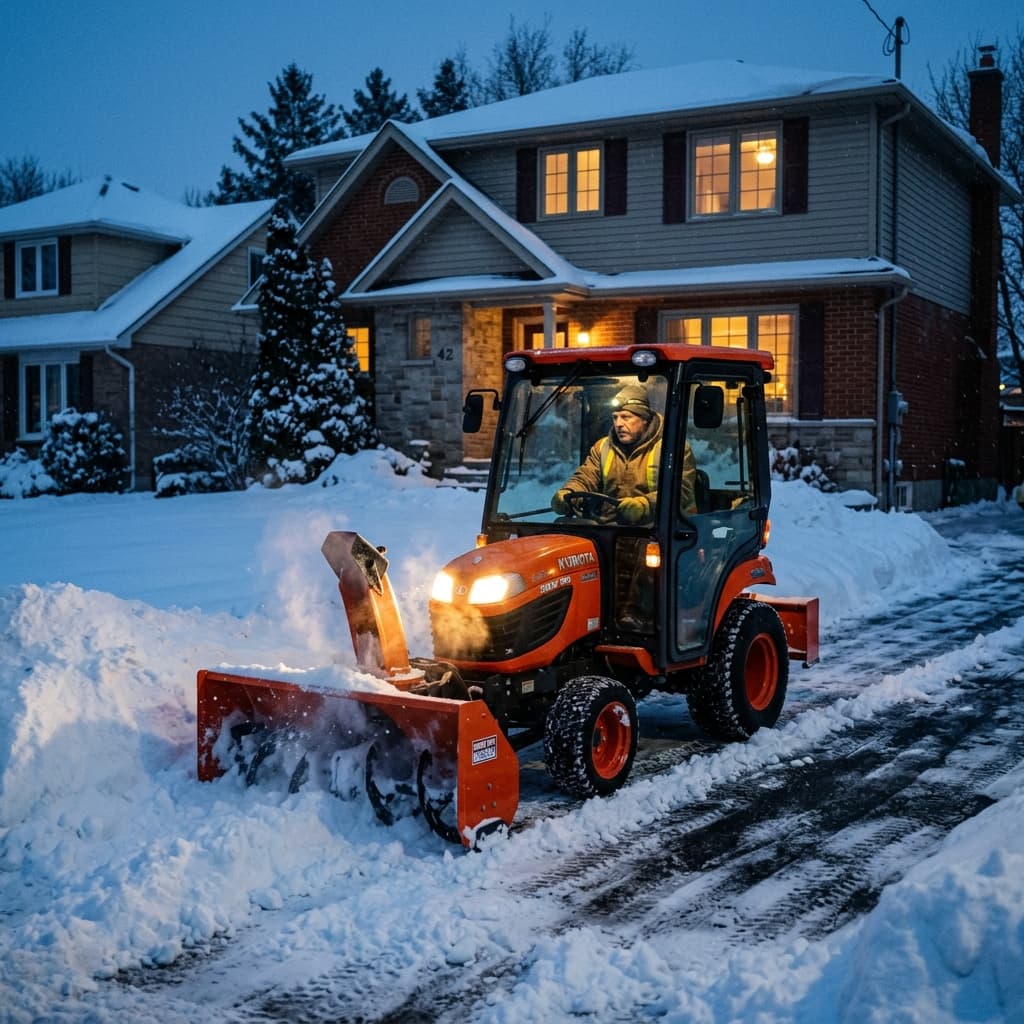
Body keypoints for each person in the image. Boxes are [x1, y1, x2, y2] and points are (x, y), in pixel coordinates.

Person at [551, 384, 696, 524]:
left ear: (644, 419)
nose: (618, 424)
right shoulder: (602, 447)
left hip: (658, 530)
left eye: (626, 417)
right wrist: (568, 492)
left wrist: (644, 505)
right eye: (615, 417)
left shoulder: (672, 448)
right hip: (611, 529)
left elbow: (680, 491)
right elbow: (586, 477)